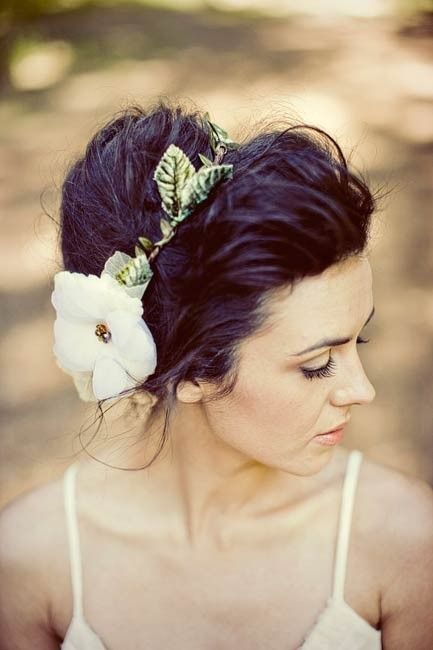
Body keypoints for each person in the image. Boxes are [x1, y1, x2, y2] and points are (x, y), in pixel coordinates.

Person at [0, 101, 432, 650]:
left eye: (358, 340)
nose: (361, 391)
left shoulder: (404, 542)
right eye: (317, 363)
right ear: (193, 369)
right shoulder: (30, 564)